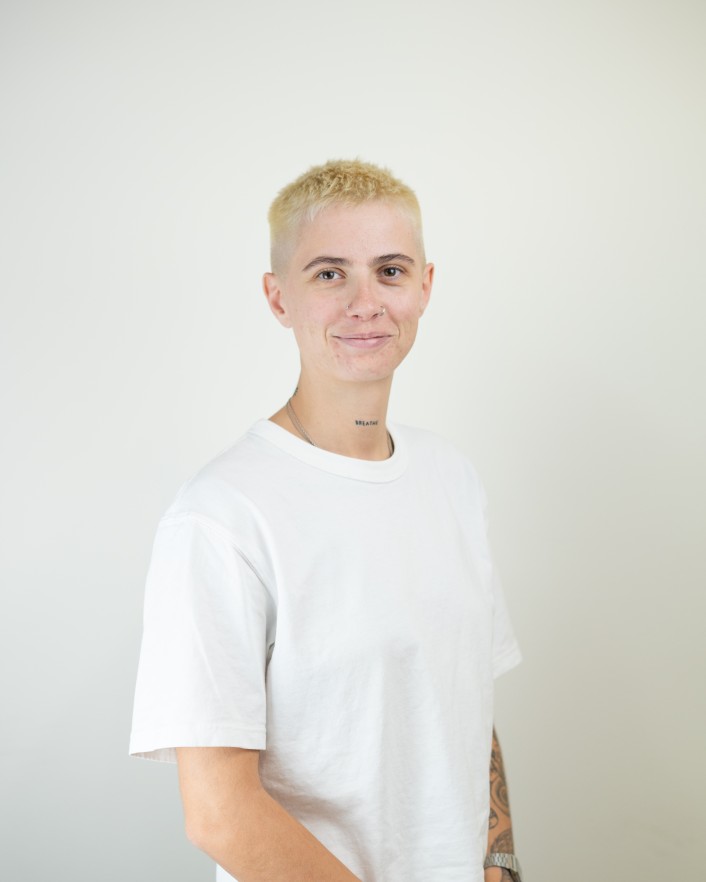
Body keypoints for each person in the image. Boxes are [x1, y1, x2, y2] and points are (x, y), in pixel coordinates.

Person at [130, 159, 523, 882]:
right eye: (330, 274)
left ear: (426, 286)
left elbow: (463, 700)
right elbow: (218, 813)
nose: (365, 303)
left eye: (390, 271)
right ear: (278, 297)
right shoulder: (222, 515)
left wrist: (499, 859)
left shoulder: (452, 477)